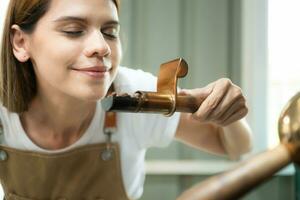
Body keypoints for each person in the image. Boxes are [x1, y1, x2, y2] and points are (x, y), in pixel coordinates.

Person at [0, 0, 252, 199]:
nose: (102, 47)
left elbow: (235, 146)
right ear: (21, 42)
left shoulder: (135, 91)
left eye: (110, 32)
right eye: (73, 30)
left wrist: (227, 113)